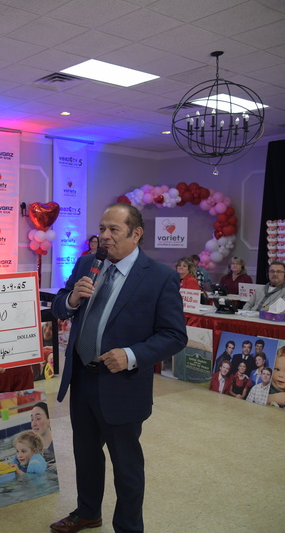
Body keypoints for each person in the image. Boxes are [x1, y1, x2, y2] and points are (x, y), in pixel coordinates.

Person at [50, 203, 187, 533]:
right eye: (102, 228)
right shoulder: (87, 263)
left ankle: (128, 527)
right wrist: (71, 300)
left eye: (114, 230)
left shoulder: (159, 277)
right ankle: (87, 512)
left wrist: (131, 354)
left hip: (122, 385)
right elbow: (59, 305)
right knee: (85, 454)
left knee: (126, 465)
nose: (105, 236)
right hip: (82, 377)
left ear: (136, 234)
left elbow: (174, 335)